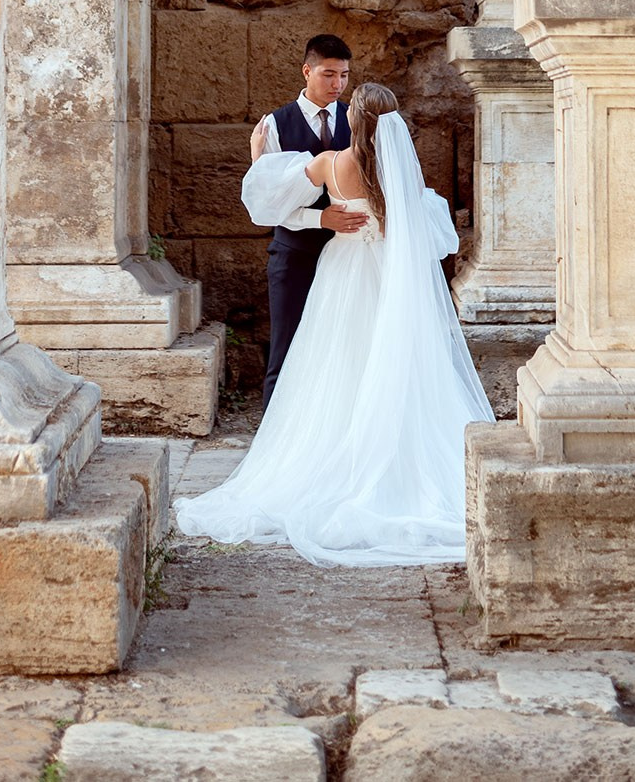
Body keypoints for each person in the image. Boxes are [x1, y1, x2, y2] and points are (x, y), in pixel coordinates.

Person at [175, 83, 496, 566]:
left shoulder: (331, 163)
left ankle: (334, 452)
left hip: (344, 272)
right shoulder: (403, 172)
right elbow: (436, 234)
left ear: (354, 119)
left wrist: (259, 156)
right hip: (391, 276)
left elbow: (268, 196)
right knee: (395, 362)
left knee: (335, 362)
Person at [254, 33, 364, 410]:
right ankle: (271, 435)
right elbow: (269, 204)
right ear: (307, 71)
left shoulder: (356, 120)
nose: (338, 85)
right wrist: (321, 218)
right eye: (328, 74)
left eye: (344, 76)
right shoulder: (275, 125)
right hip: (294, 255)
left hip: (348, 258)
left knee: (340, 351)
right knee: (285, 350)